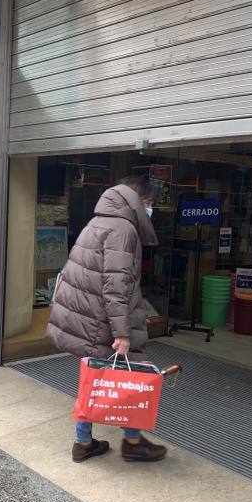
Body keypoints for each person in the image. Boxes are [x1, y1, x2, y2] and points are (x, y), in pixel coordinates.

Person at [47, 175, 169, 463]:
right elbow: (115, 286)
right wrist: (122, 332)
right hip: (101, 321)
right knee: (126, 377)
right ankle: (132, 441)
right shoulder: (123, 229)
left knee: (94, 379)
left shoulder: (100, 220)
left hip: (87, 317)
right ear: (136, 201)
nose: (151, 210)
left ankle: (85, 441)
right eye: (149, 203)